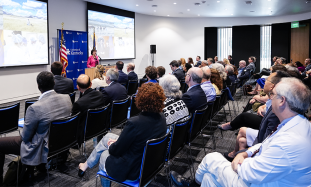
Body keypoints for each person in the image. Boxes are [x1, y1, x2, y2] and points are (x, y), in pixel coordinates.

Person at [171, 77, 311, 187]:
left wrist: (239, 159)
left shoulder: (289, 141)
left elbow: (250, 174)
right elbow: (267, 142)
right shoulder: (299, 124)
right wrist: (245, 152)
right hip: (268, 178)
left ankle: (192, 185)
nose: (269, 98)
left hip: (258, 182)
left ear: (282, 101)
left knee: (211, 158)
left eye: (272, 95)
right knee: (209, 178)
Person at [0, 71, 72, 186]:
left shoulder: (35, 108)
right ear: (54, 83)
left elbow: (25, 137)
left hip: (40, 145)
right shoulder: (66, 98)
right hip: (59, 142)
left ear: (38, 86)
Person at [78, 83, 167, 186]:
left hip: (133, 170)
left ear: (140, 99)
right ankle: (85, 165)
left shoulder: (135, 123)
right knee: (108, 136)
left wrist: (112, 145)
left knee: (104, 154)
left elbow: (116, 151)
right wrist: (117, 142)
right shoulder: (161, 118)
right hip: (149, 164)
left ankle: (89, 169)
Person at [218, 71, 290, 131]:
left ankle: (233, 125)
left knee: (244, 116)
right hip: (263, 116)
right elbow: (268, 104)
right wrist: (262, 107)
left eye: (267, 80)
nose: (264, 81)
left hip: (265, 123)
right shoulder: (276, 96)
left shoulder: (279, 100)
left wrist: (257, 99)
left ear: (272, 86)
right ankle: (237, 125)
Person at [72, 74, 104, 145]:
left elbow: (74, 123)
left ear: (78, 88)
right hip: (100, 127)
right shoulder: (100, 95)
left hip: (85, 132)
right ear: (91, 84)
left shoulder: (78, 103)